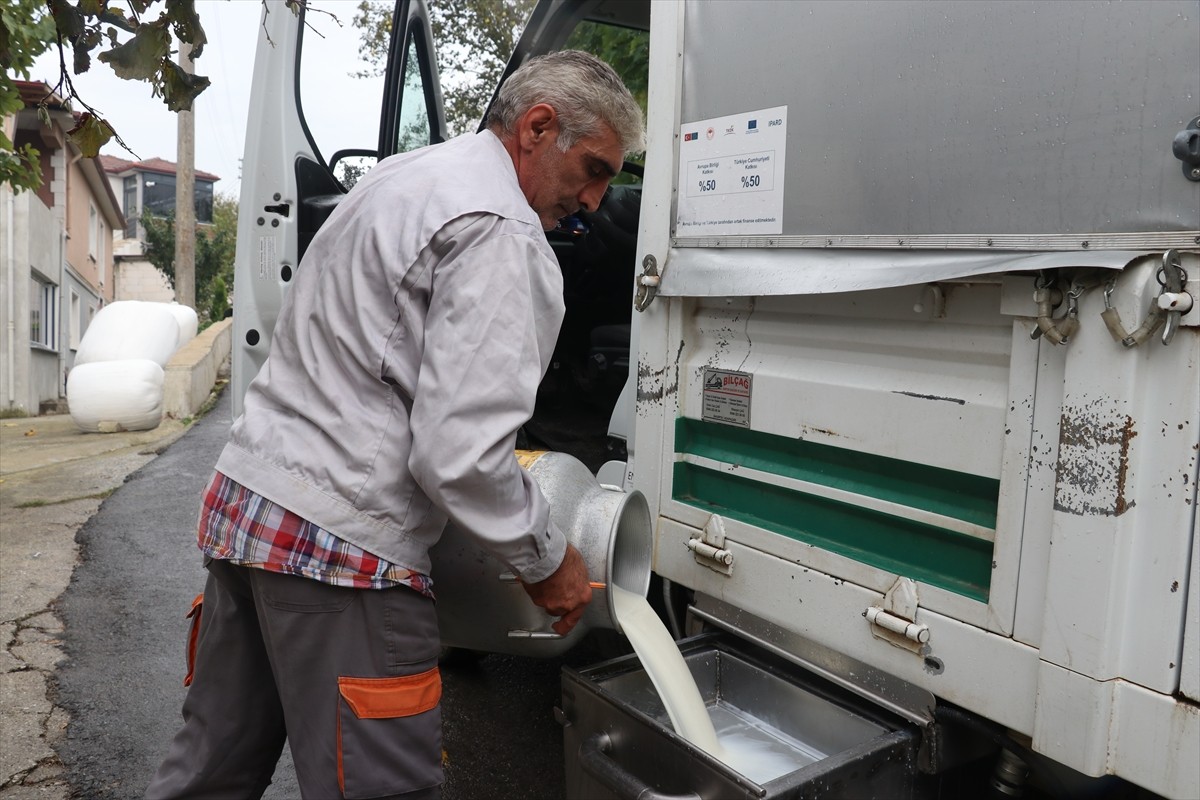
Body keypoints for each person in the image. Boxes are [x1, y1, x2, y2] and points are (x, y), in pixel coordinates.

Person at [145, 50, 644, 800]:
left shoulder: (401, 176)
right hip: (344, 548)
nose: (598, 202)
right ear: (539, 127)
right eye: (597, 168)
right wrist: (548, 561)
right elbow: (461, 455)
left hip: (248, 509)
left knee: (209, 772)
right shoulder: (505, 233)